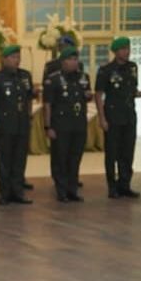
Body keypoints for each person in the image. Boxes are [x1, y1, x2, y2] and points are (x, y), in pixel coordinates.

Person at [95, 37, 141, 198]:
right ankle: (112, 186)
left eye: (128, 48)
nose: (127, 51)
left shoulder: (132, 67)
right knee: (112, 153)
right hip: (113, 116)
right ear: (116, 52)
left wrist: (136, 94)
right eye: (123, 49)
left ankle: (125, 184)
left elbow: (130, 88)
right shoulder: (106, 70)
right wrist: (102, 118)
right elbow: (99, 95)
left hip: (129, 115)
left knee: (127, 152)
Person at [0, 45, 36, 205]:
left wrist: (29, 116)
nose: (17, 60)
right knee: (5, 160)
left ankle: (18, 192)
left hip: (22, 124)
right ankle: (5, 193)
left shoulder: (25, 76)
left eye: (18, 57)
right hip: (4, 124)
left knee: (20, 160)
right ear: (4, 59)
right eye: (13, 57)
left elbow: (29, 99)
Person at [43, 47, 92, 202]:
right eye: (70, 59)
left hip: (78, 124)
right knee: (60, 158)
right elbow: (48, 105)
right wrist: (48, 126)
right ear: (63, 62)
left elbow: (86, 96)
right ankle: (61, 190)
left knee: (75, 158)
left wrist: (88, 96)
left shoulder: (84, 77)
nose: (74, 62)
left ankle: (72, 190)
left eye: (76, 59)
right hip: (60, 125)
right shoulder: (53, 79)